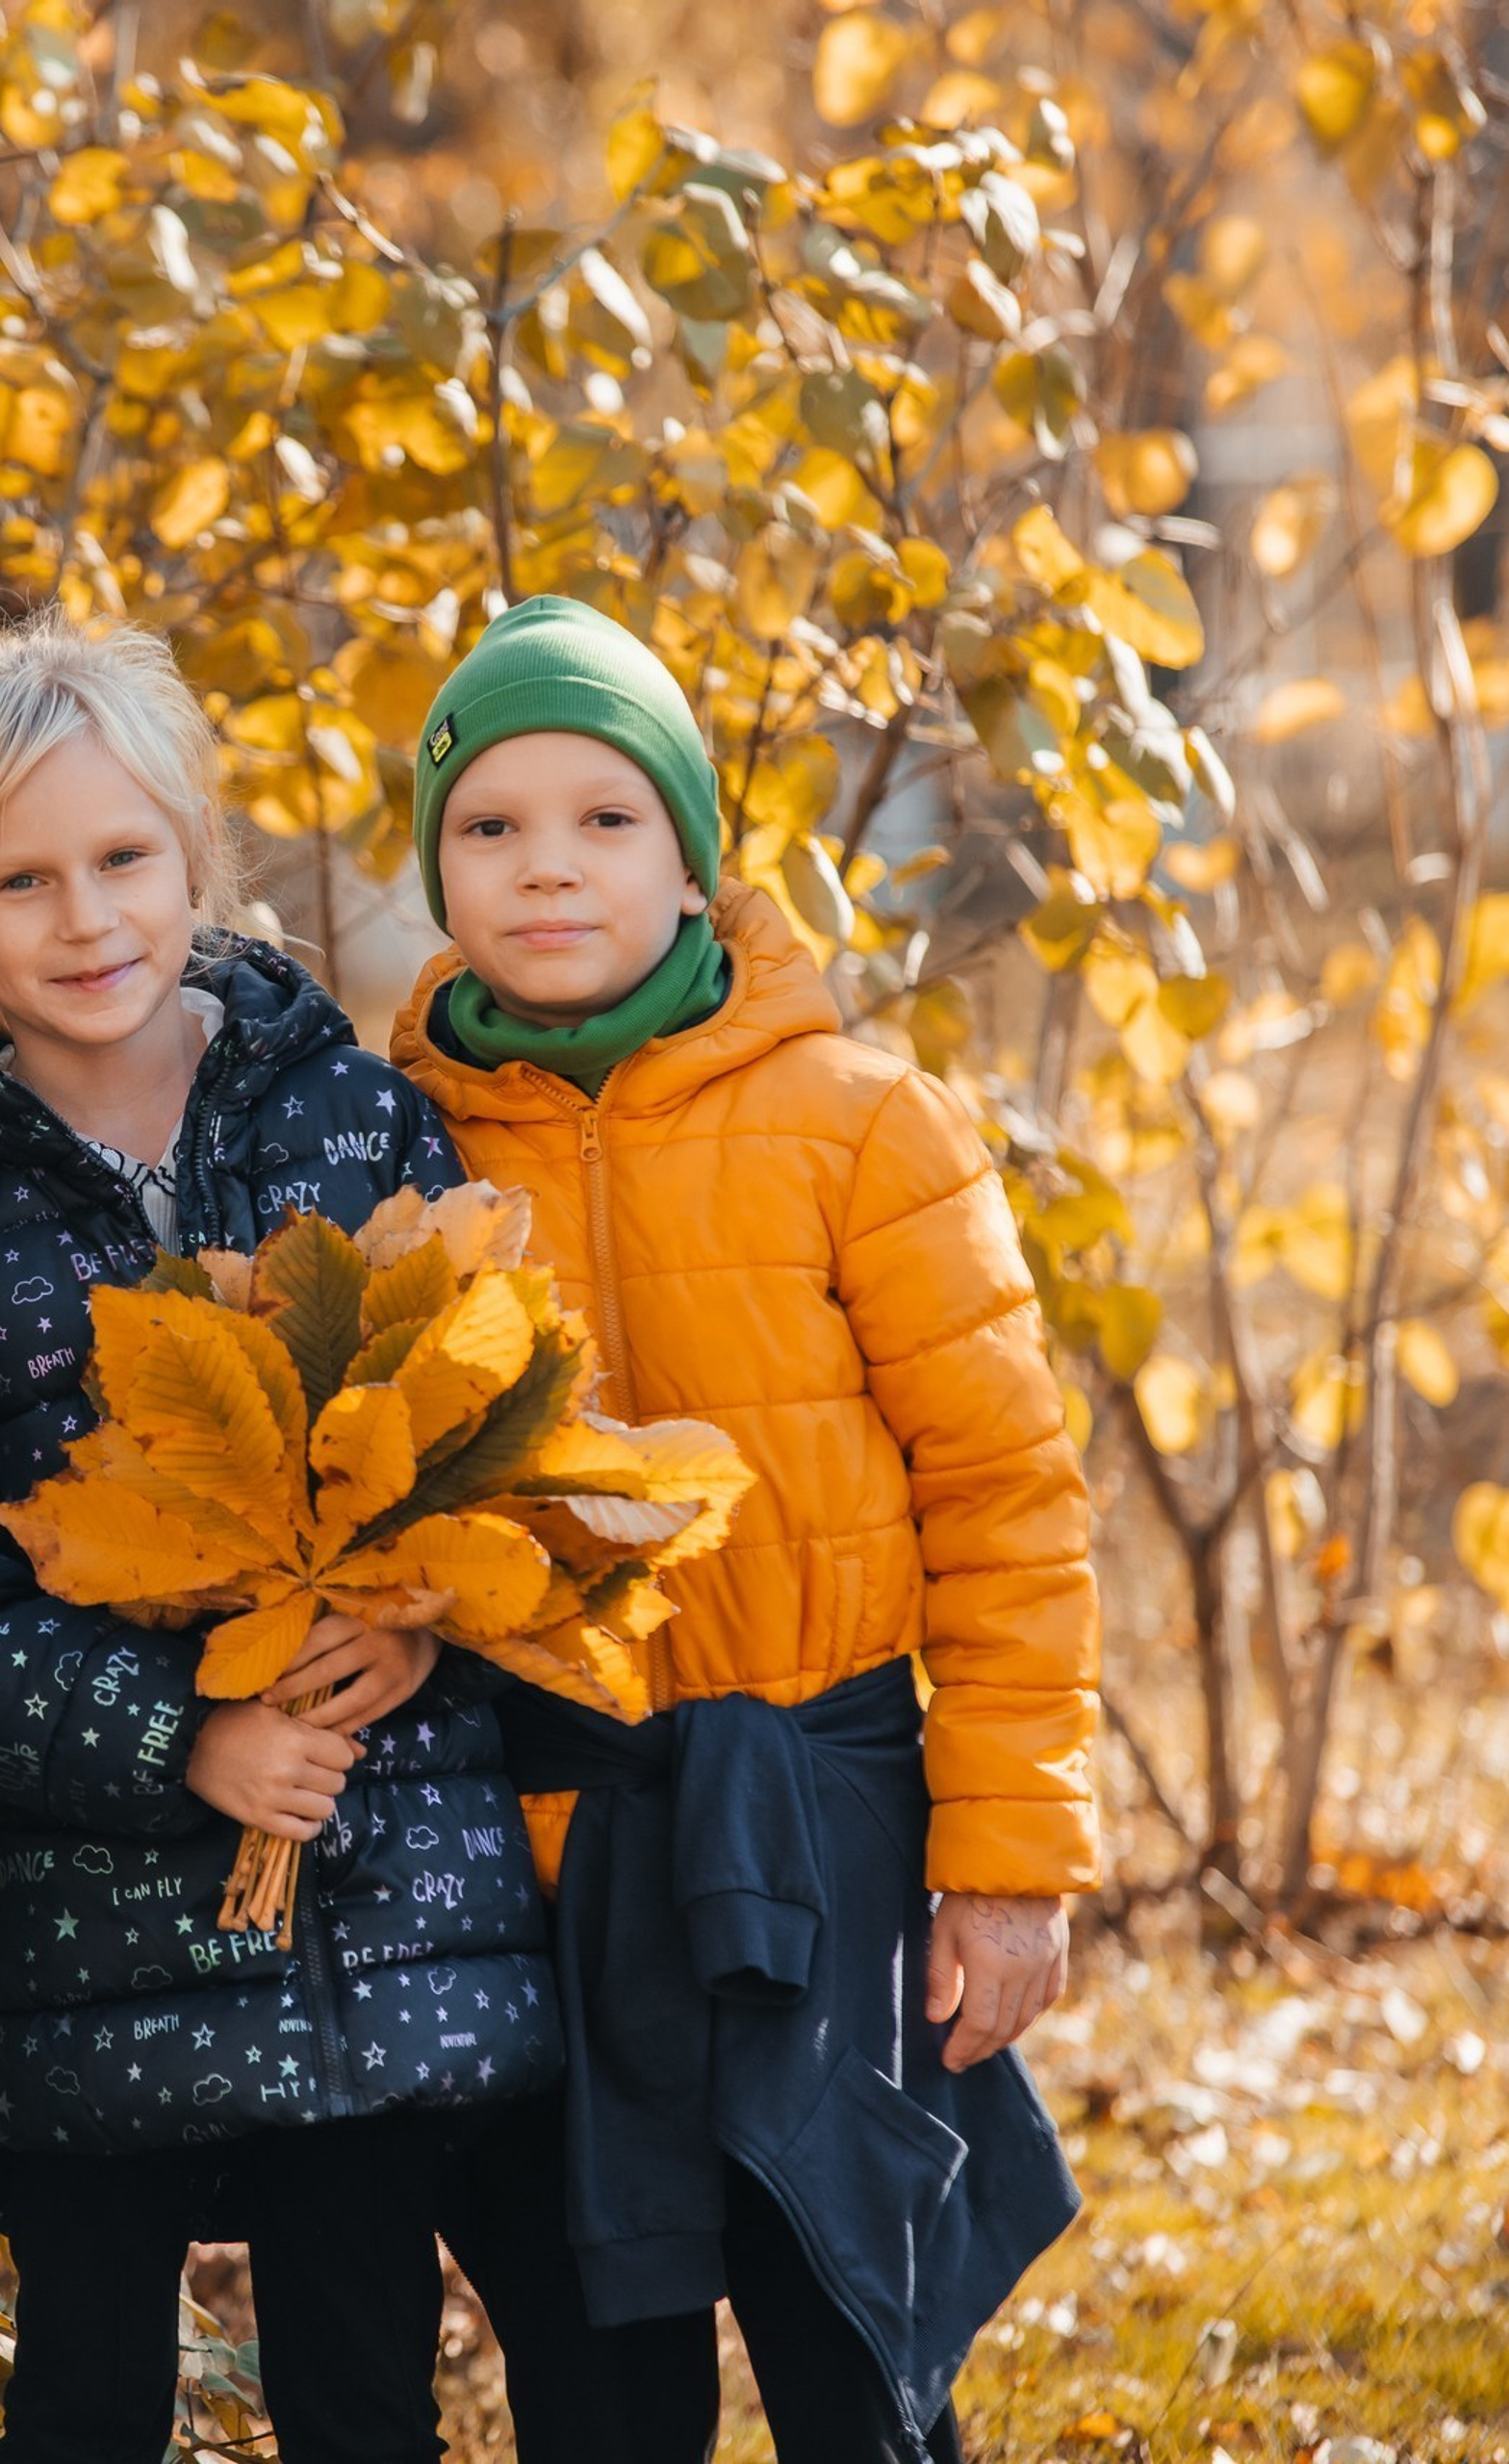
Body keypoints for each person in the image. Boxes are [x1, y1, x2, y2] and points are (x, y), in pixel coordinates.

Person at [0, 611, 558, 2464]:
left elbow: (477, 1426)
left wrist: (412, 1622)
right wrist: (186, 1741)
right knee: (85, 2400)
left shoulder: (356, 1118)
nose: (88, 920)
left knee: (365, 2383)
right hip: (89, 1933)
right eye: (25, 880)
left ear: (199, 860)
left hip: (369, 1906)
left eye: (125, 859)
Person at [389, 594, 1098, 2464]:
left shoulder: (862, 1128)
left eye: (605, 818)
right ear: (436, 870)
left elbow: (1007, 1502)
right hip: (535, 1848)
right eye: (491, 824)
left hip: (825, 1822)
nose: (548, 865)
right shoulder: (382, 1145)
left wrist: (1005, 1863)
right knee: (592, 2376)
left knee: (848, 2349)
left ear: (696, 863)